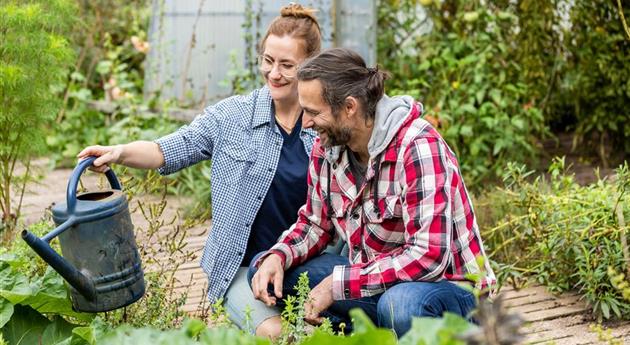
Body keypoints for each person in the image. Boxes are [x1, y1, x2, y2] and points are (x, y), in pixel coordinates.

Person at [77, 4, 321, 337]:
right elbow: (168, 150)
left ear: (309, 67)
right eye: (268, 60)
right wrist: (118, 152)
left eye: (286, 65)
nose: (273, 73)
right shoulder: (232, 117)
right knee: (280, 335)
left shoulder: (325, 127)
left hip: (305, 266)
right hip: (242, 267)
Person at [249, 47, 496, 337]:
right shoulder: (327, 148)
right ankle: (377, 334)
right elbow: (315, 224)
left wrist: (335, 284)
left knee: (400, 306)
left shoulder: (417, 146)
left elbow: (428, 257)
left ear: (350, 107)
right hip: (375, 282)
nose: (306, 123)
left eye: (314, 112)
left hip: (449, 291)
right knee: (266, 270)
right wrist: (279, 255)